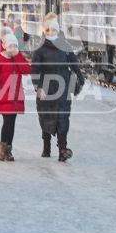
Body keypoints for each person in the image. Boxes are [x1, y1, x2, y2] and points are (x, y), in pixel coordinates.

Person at [30, 20, 85, 162]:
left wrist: (80, 77)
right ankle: (46, 146)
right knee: (46, 117)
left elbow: (73, 63)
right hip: (47, 86)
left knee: (63, 118)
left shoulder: (65, 46)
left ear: (57, 30)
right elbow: (35, 70)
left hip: (63, 85)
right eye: (48, 30)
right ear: (44, 31)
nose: (51, 33)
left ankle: (62, 149)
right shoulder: (40, 50)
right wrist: (38, 87)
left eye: (53, 30)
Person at [0, 30, 31, 161]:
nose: (13, 49)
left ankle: (8, 150)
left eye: (15, 46)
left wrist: (18, 55)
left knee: (12, 123)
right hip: (5, 97)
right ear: (4, 46)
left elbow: (27, 70)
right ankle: (2, 149)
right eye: (10, 46)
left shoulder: (17, 58)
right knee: (8, 122)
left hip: (16, 97)